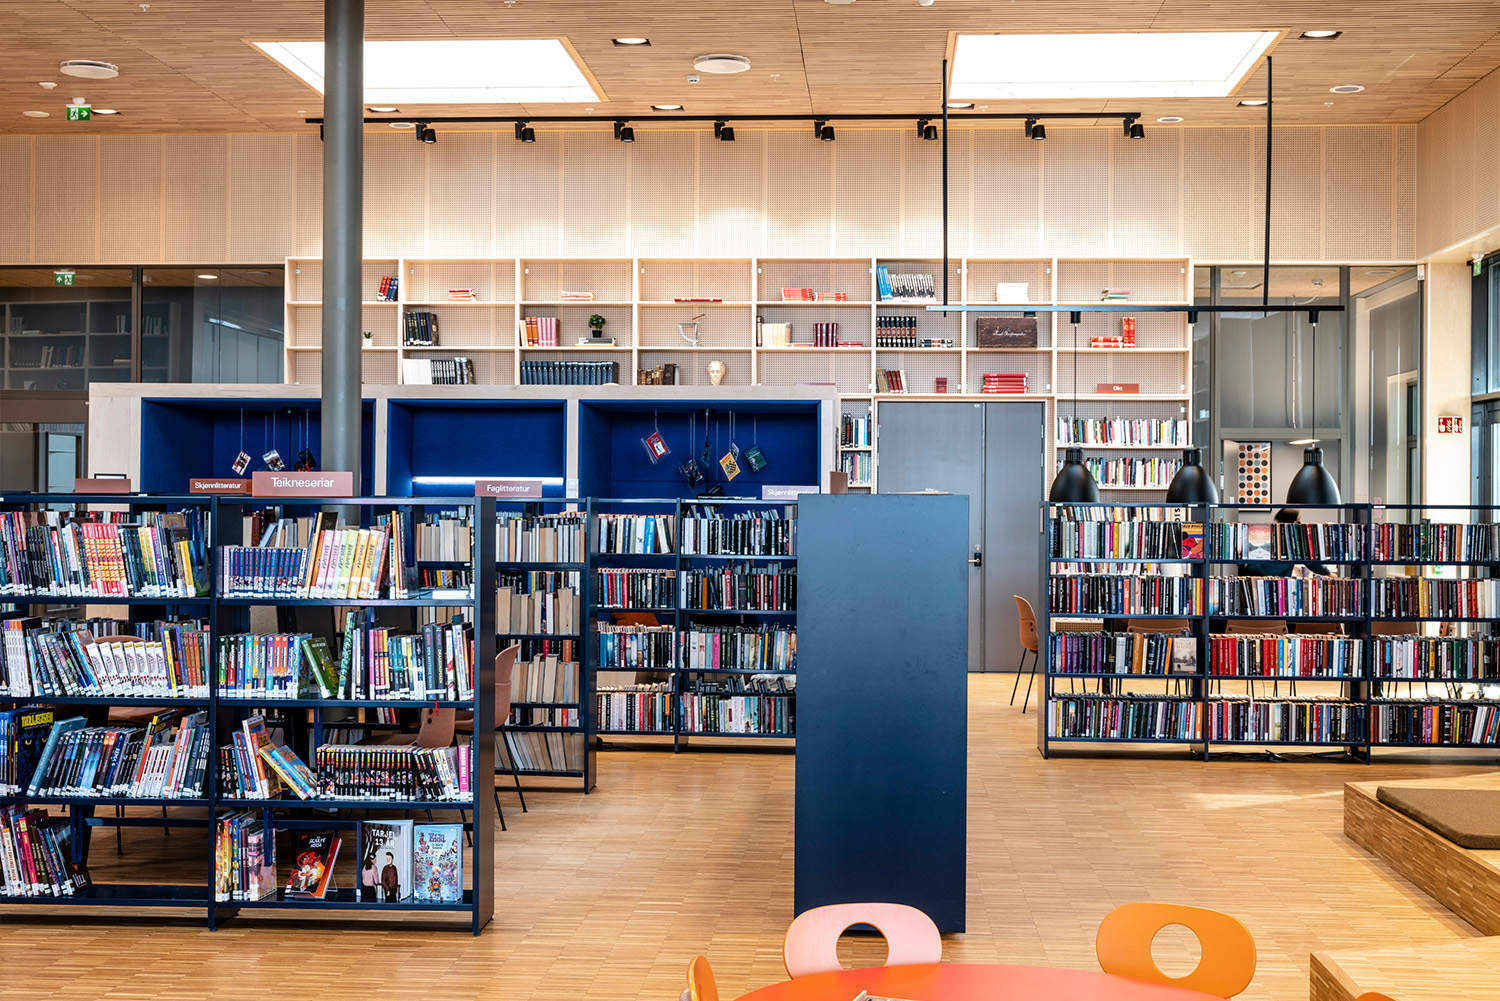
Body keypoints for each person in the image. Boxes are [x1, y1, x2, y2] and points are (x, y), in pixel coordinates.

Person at [1238, 508, 1333, 578]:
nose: (1300, 525)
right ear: (1291, 522)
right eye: (1298, 522)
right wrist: (1328, 573)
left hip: (1252, 577)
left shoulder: (1266, 534)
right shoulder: (1294, 541)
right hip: (1277, 582)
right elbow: (1311, 563)